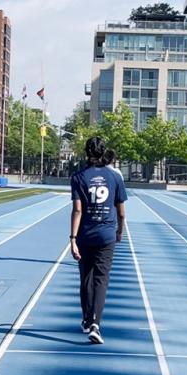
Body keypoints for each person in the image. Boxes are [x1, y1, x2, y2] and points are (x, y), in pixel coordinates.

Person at [69, 137, 128, 344]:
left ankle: (87, 318)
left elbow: (77, 210)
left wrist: (73, 239)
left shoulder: (78, 177)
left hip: (85, 234)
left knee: (86, 279)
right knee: (101, 280)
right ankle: (95, 324)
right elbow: (121, 212)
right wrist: (120, 231)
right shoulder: (115, 177)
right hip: (106, 235)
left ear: (86, 152)